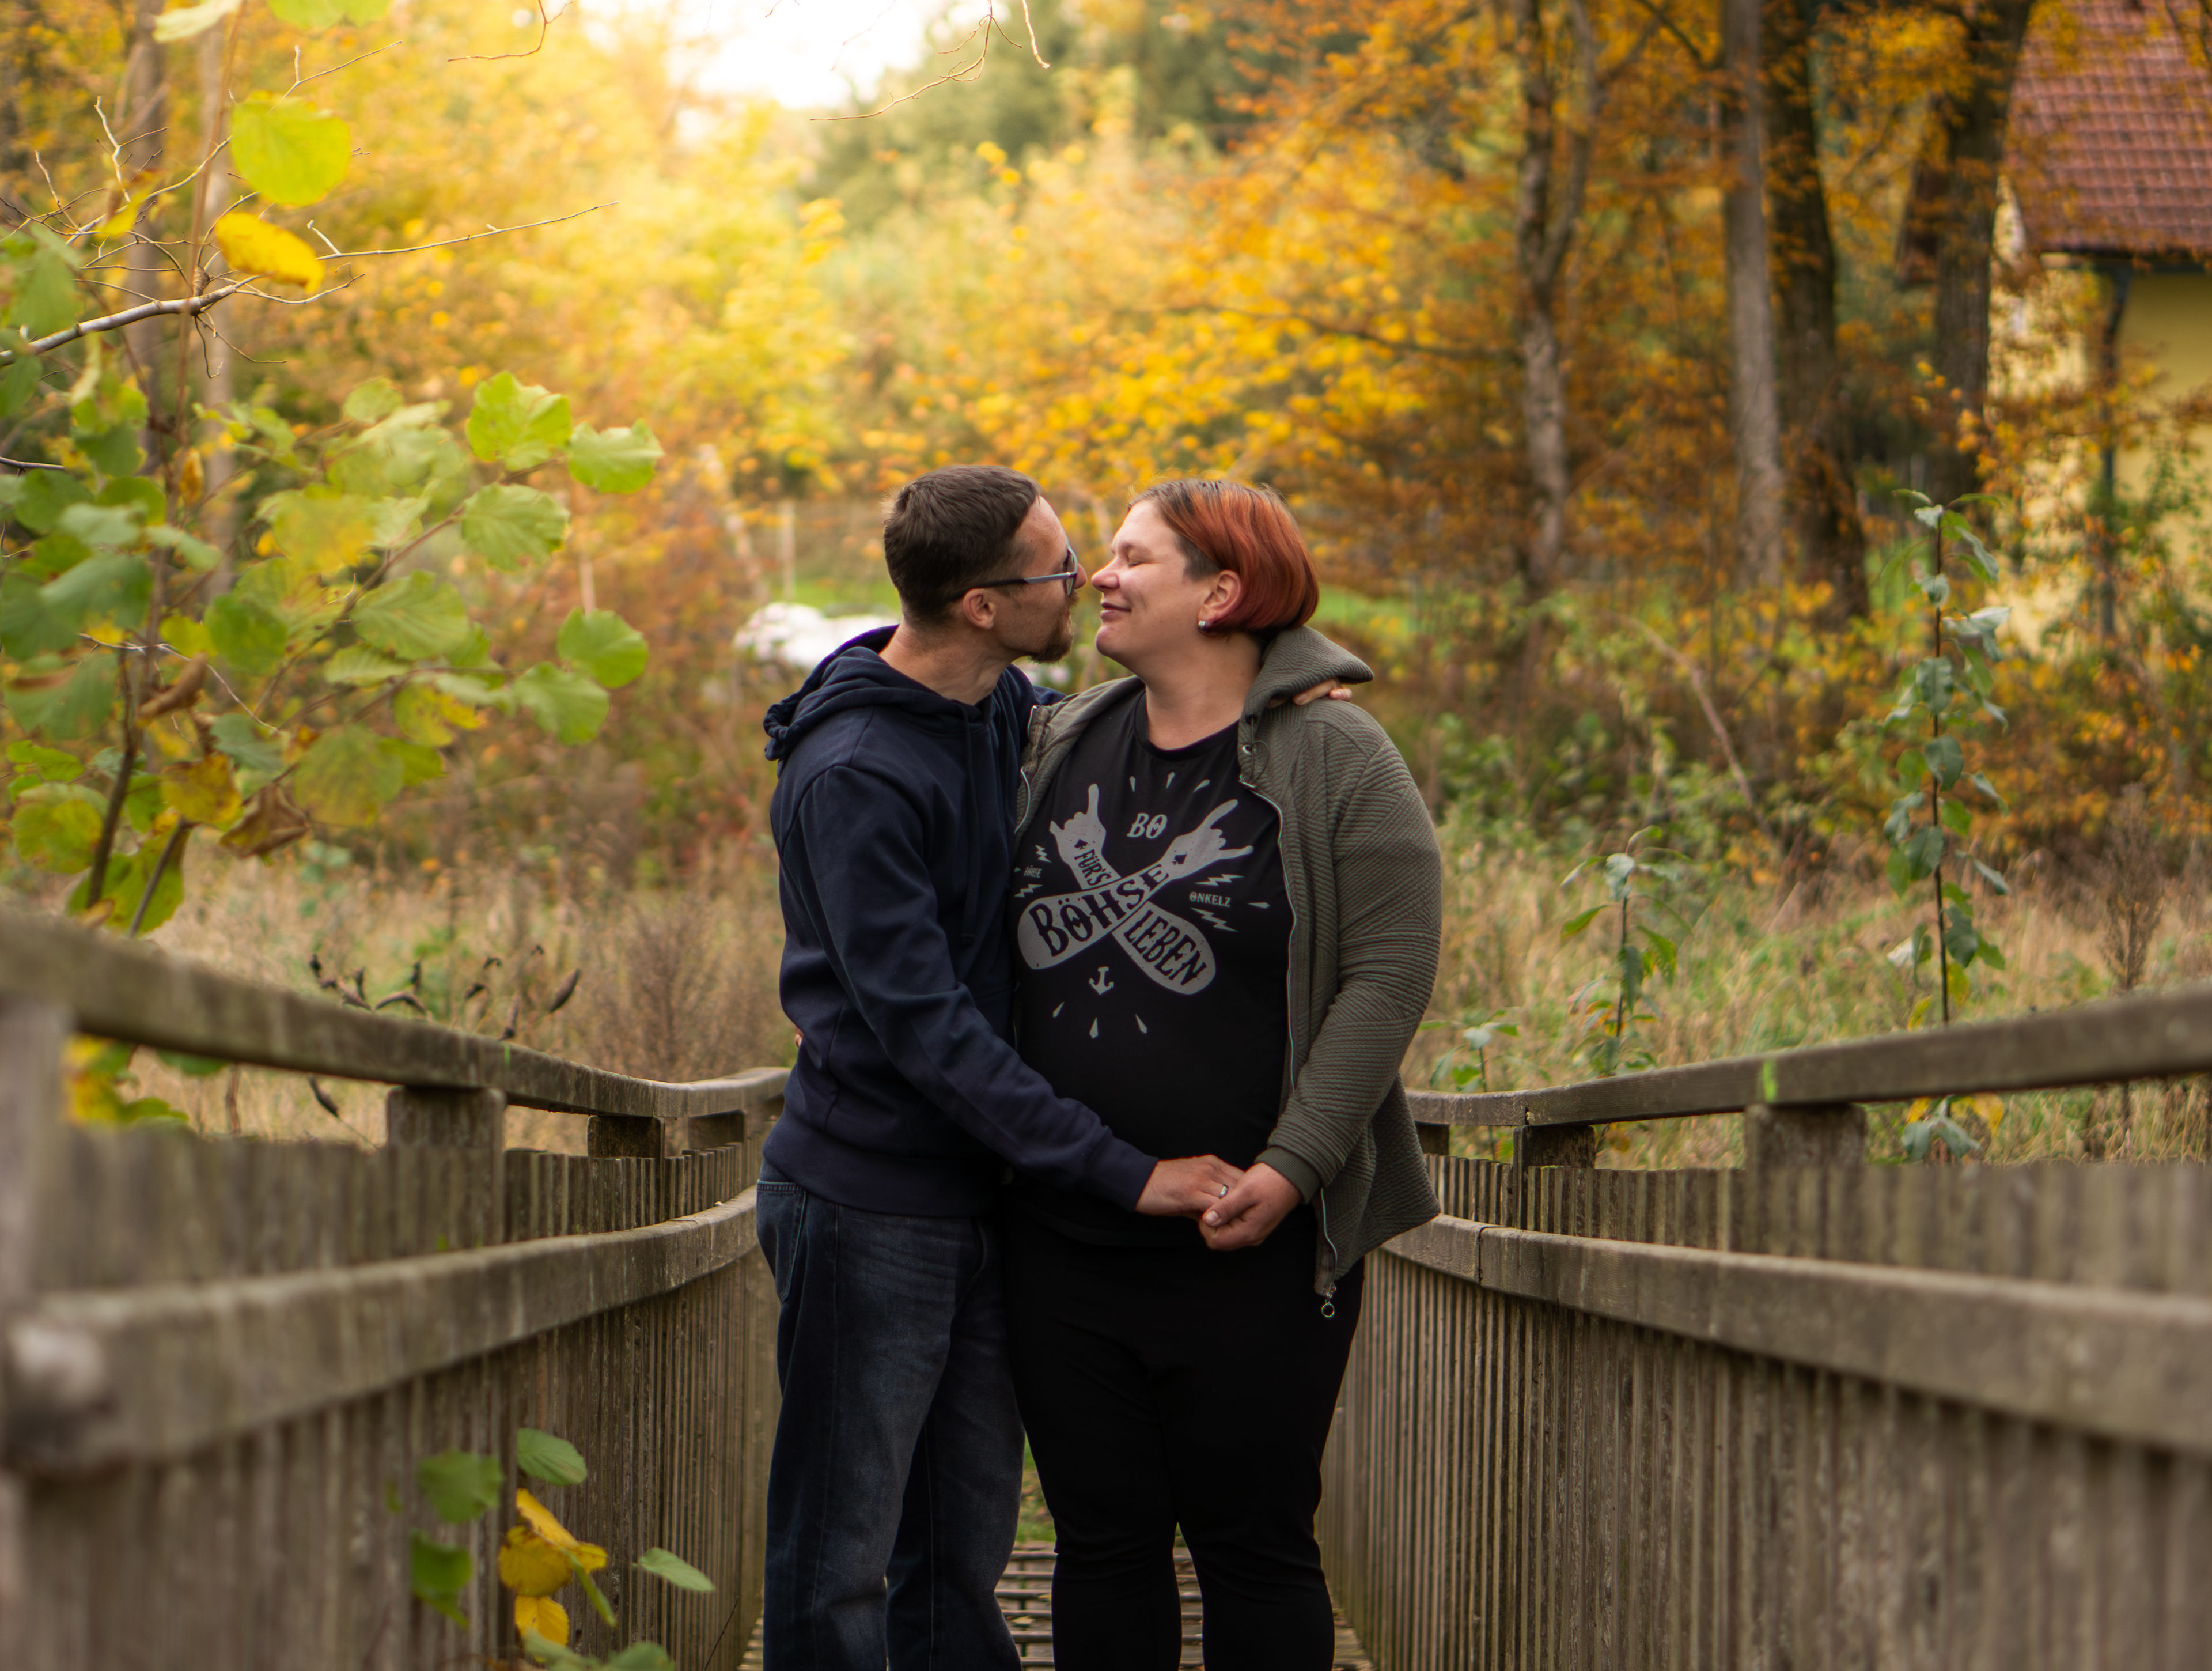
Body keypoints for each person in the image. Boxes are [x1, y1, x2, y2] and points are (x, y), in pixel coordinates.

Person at [753, 464, 1251, 1671]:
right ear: (982, 605)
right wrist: (1123, 1171)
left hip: (982, 1200)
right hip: (866, 1202)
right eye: (1059, 569)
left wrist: (1293, 679)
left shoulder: (998, 707)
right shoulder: (857, 771)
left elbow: (1169, 704)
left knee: (960, 1551)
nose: (1086, 581)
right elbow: (928, 1029)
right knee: (839, 1559)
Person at [1001, 479, 1444, 1671]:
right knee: (1103, 1544)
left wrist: (1295, 1169)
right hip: (1066, 1235)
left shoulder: (1337, 754)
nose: (1102, 577)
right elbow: (920, 688)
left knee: (1254, 1546)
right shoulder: (1056, 739)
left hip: (1254, 1246)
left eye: (1133, 557)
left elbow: (1390, 974)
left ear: (1222, 592)